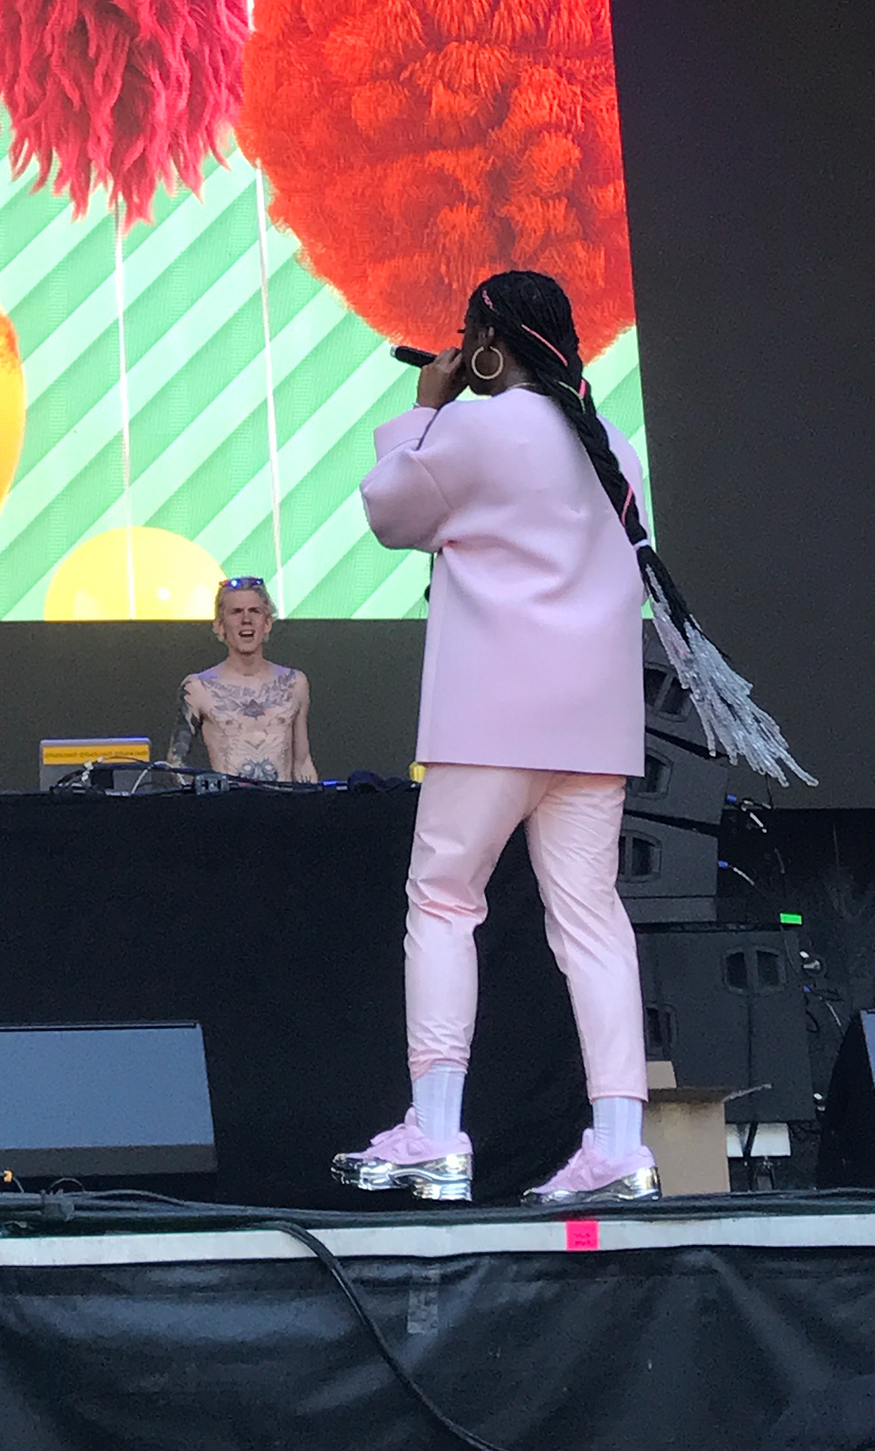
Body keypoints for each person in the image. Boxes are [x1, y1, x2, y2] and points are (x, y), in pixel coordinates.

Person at [332, 268, 660, 1208]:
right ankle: (620, 1145)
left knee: (443, 902)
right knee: (592, 922)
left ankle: (437, 1132)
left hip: (492, 718)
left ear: (486, 343)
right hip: (593, 723)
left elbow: (390, 511)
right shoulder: (610, 442)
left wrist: (423, 408)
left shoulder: (476, 428)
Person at [168, 577, 318, 783]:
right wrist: (203, 794)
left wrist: (312, 800)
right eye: (236, 612)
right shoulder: (198, 688)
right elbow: (176, 761)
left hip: (283, 801)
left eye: (254, 611)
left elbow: (303, 762)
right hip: (230, 802)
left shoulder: (294, 683)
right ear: (220, 626)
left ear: (267, 623)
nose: (246, 619)